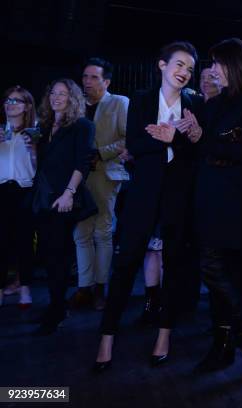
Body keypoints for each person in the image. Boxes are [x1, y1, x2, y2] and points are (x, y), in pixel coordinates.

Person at [94, 41, 203, 371]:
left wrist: (182, 138)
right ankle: (106, 337)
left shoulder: (194, 104)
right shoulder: (141, 99)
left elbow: (195, 155)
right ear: (162, 65)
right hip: (142, 195)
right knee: (126, 263)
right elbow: (136, 144)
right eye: (179, 64)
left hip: (178, 198)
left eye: (189, 68)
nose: (184, 72)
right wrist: (167, 140)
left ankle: (164, 335)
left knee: (174, 265)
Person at [192, 38, 242, 381]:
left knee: (217, 269)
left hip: (236, 201)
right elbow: (211, 147)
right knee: (217, 272)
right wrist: (198, 139)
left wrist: (206, 141)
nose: (211, 71)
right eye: (210, 64)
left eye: (217, 64)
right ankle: (224, 347)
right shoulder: (213, 104)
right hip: (209, 194)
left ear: (235, 65)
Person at [33, 78, 96, 335]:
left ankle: (57, 308)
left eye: (63, 94)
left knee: (58, 254)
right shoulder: (44, 126)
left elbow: (82, 163)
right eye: (53, 93)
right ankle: (56, 303)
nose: (57, 97)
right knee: (48, 253)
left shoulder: (82, 125)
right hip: (43, 198)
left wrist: (69, 193)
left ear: (73, 99)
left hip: (64, 198)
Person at [71, 57, 129, 311]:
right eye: (85, 76)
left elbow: (130, 138)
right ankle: (84, 287)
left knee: (102, 232)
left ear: (106, 81)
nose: (87, 81)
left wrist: (101, 152)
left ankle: (100, 288)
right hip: (77, 177)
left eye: (94, 77)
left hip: (106, 173)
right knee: (81, 233)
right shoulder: (76, 106)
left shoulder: (120, 103)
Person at [0, 86, 37, 309]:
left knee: (25, 242)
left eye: (16, 101)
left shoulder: (35, 131)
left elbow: (41, 167)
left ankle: (25, 288)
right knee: (1, 242)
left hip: (25, 190)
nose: (10, 104)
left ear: (27, 106)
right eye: (7, 100)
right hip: (2, 189)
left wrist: (34, 150)